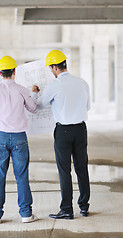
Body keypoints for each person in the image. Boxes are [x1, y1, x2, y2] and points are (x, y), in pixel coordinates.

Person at [32, 50, 91, 219]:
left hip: (63, 131)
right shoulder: (82, 83)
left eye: (51, 68)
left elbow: (39, 106)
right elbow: (87, 107)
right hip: (81, 129)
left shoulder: (54, 85)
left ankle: (67, 209)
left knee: (64, 170)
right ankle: (84, 207)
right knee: (82, 168)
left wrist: (35, 92)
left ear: (54, 67)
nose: (51, 71)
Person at [0, 56, 38, 224]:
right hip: (20, 138)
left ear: (0, 73)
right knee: (22, 176)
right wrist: (34, 93)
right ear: (15, 72)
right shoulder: (22, 90)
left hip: (0, 137)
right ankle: (26, 214)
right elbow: (33, 108)